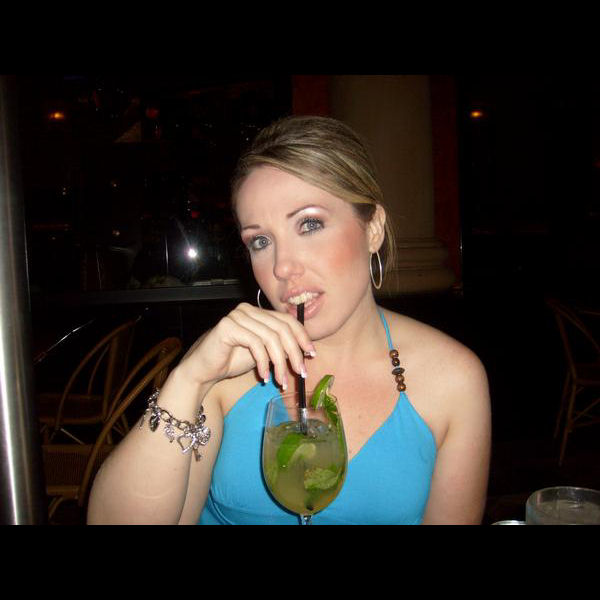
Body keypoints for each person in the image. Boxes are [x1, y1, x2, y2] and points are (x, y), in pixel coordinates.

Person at [87, 115, 491, 525]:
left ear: (373, 229)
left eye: (309, 224)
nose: (281, 267)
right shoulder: (228, 366)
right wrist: (188, 380)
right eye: (260, 241)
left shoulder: (452, 378)